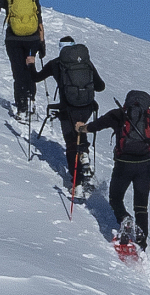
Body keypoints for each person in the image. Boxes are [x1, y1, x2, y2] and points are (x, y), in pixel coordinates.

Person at [91, 89, 150, 248]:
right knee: (141, 206)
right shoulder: (149, 119)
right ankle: (141, 244)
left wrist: (82, 128)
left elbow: (98, 125)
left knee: (115, 198)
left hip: (123, 165)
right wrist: (149, 147)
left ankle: (124, 219)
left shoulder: (119, 115)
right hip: (145, 166)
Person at [35, 35, 106, 187]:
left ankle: (77, 181)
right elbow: (101, 87)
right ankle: (85, 156)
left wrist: (29, 64)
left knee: (71, 142)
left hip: (67, 109)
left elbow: (35, 77)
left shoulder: (55, 64)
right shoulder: (86, 63)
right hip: (87, 107)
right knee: (81, 132)